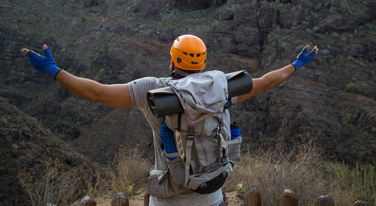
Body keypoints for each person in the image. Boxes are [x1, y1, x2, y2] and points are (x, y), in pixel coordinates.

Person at [21, 34, 318, 206]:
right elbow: (266, 81)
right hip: (211, 193)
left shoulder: (151, 90)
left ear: (173, 61)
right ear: (203, 62)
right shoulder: (222, 87)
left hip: (167, 198)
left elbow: (96, 93)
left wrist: (54, 71)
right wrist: (296, 65)